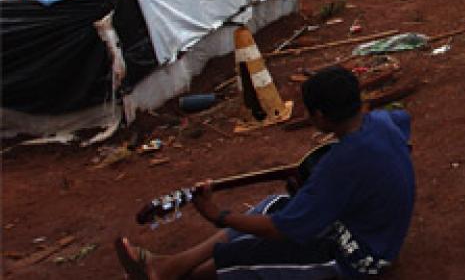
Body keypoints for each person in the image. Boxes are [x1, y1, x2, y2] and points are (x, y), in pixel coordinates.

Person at [114, 67, 415, 279]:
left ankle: (182, 275)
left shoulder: (340, 166)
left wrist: (217, 214)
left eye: (309, 111)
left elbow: (281, 230)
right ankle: (173, 266)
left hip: (360, 256)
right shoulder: (381, 121)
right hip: (370, 228)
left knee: (247, 255)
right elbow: (403, 126)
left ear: (321, 116)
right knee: (271, 205)